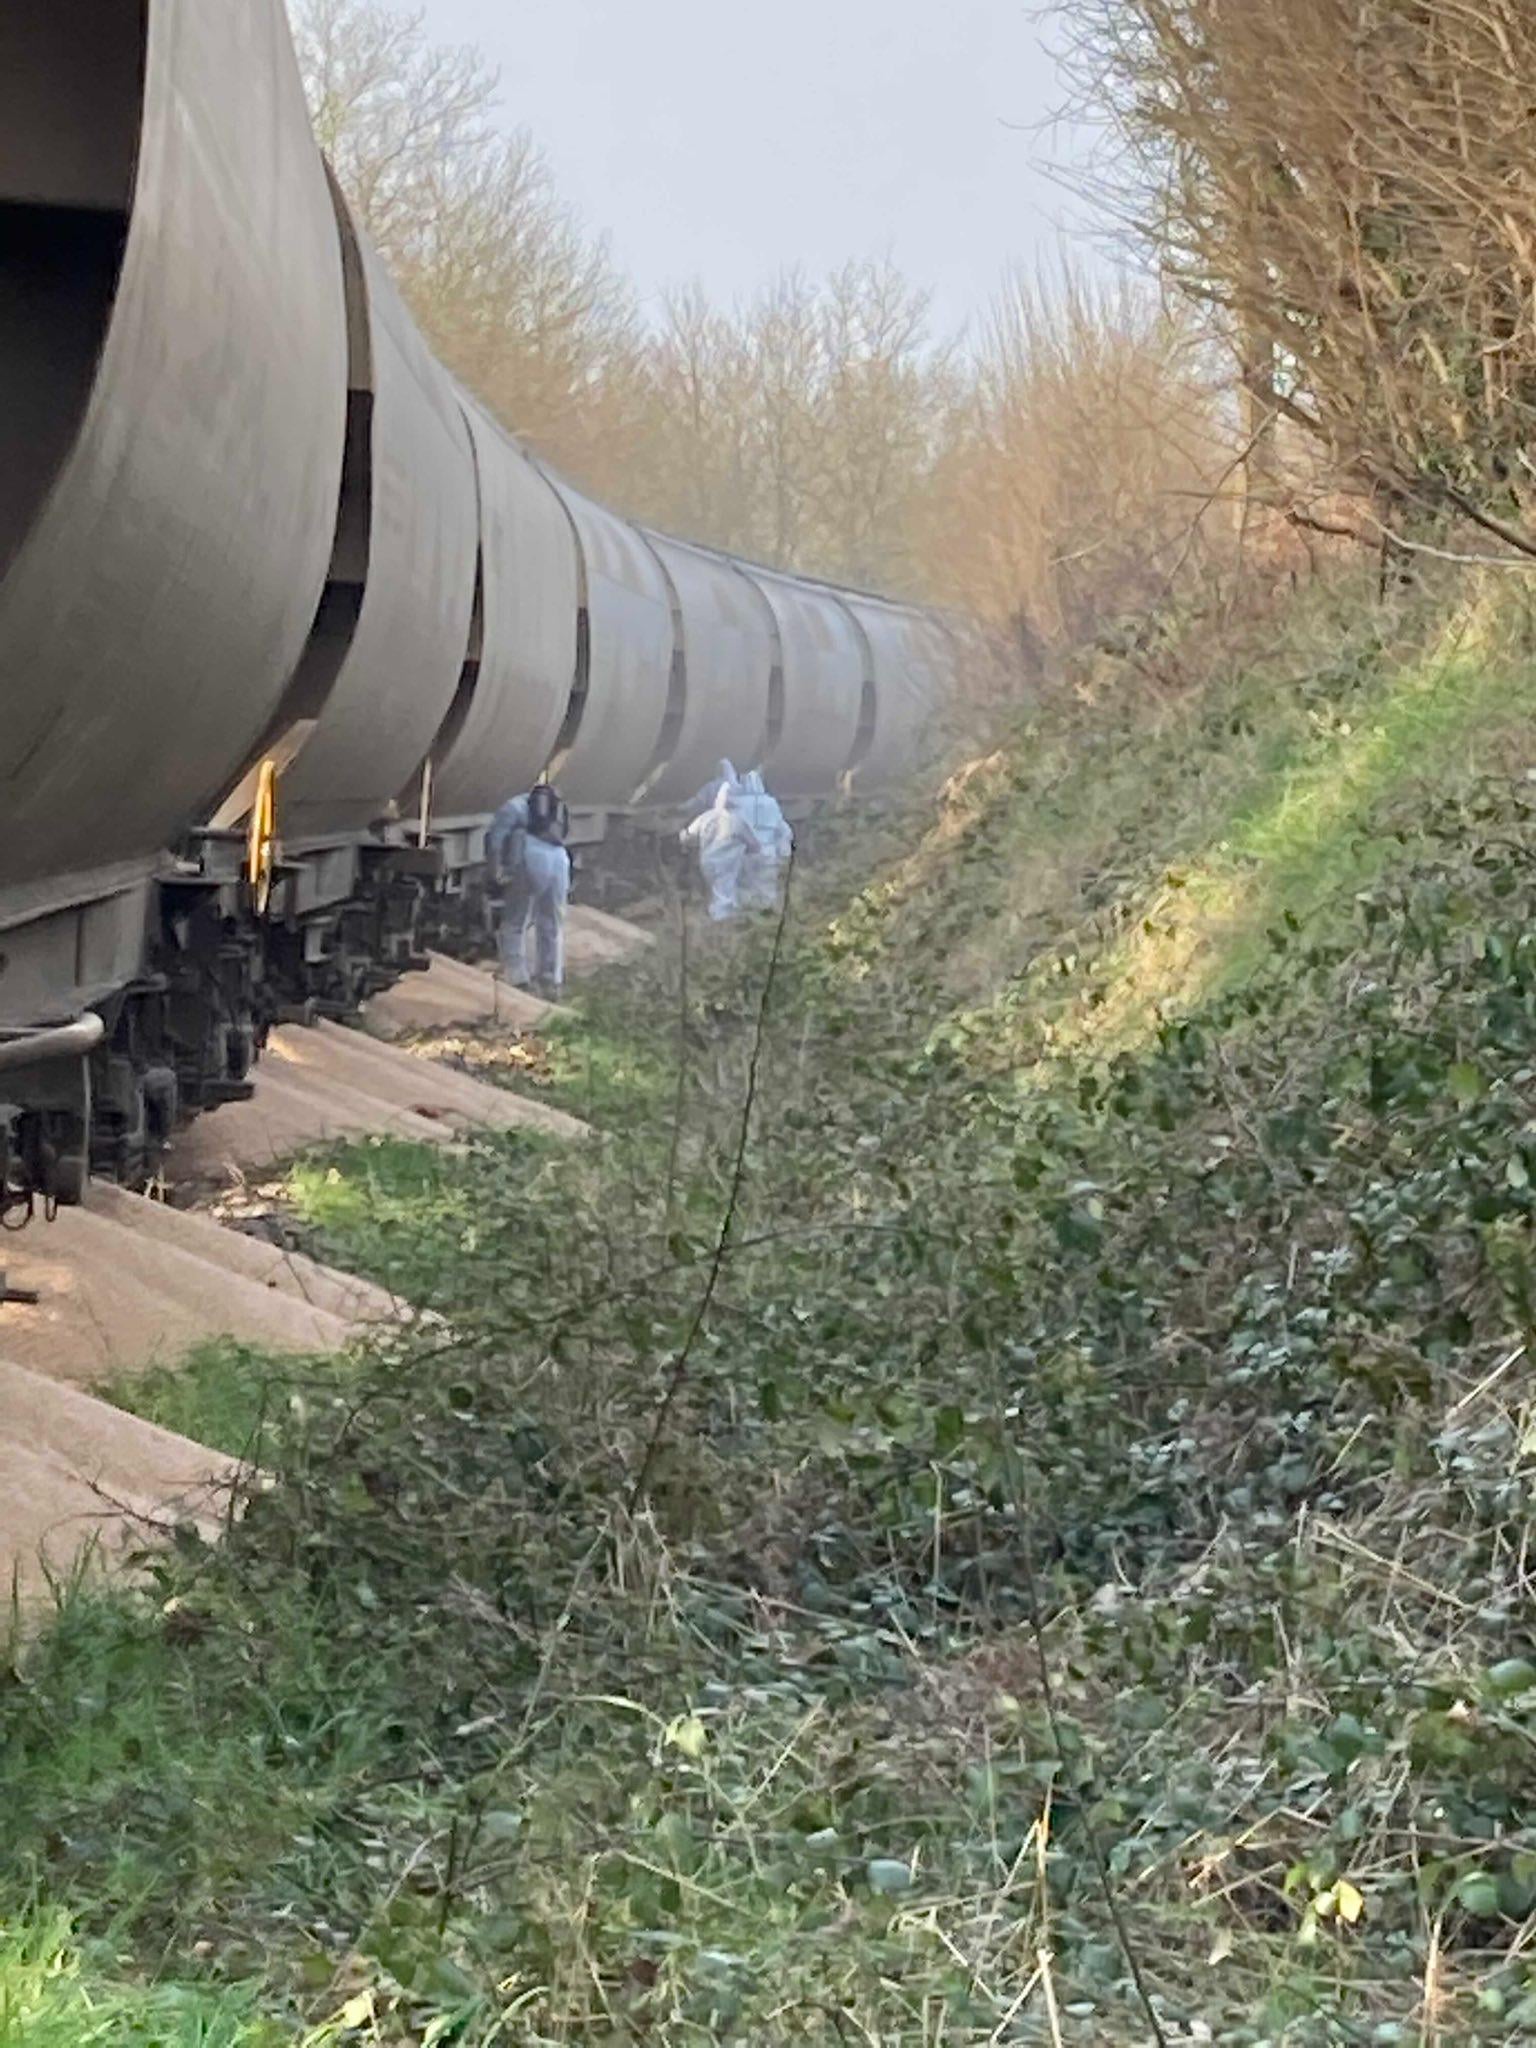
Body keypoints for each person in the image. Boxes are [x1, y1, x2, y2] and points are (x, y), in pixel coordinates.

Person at [486, 781, 571, 997]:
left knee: (514, 921)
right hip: (560, 860)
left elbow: (495, 840)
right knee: (552, 923)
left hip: (530, 858)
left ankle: (518, 978)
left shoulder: (512, 807)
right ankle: (551, 979)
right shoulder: (557, 807)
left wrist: (496, 871)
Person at [680, 781, 761, 922]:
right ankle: (722, 919)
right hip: (726, 863)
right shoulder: (736, 821)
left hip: (707, 861)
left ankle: (711, 911)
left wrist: (683, 835)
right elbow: (753, 844)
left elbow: (688, 837)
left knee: (714, 887)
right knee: (724, 890)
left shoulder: (705, 817)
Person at [735, 770, 793, 911]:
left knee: (745, 882)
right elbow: (784, 832)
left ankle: (746, 909)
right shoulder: (770, 803)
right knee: (767, 882)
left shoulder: (738, 803)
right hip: (765, 845)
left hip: (749, 846)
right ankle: (766, 909)